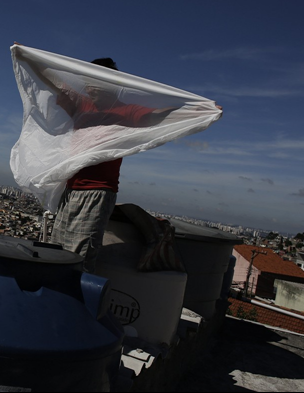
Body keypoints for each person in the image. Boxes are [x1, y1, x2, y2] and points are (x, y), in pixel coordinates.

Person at [13, 44, 221, 272]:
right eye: (88, 82)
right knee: (57, 247)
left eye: (97, 82)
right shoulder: (81, 105)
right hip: (71, 188)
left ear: (111, 84)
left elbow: (160, 114)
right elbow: (54, 80)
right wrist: (26, 56)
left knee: (81, 255)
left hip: (98, 192)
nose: (91, 88)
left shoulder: (126, 111)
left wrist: (200, 110)